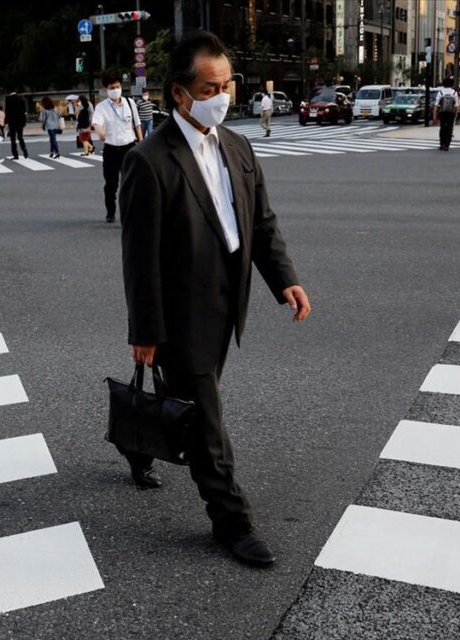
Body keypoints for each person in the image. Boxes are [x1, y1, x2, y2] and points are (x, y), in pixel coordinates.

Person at [118, 31, 311, 568]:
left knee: (185, 401)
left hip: (231, 300)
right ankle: (232, 520)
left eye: (228, 84)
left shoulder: (237, 145)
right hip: (181, 314)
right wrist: (145, 330)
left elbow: (260, 221)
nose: (223, 95)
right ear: (180, 94)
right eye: (210, 86)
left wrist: (284, 279)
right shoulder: (149, 160)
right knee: (206, 419)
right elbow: (139, 257)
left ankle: (135, 440)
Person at [92, 75, 144, 222]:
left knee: (130, 184)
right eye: (112, 88)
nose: (115, 90)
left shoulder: (130, 103)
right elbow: (97, 122)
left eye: (117, 87)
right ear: (105, 90)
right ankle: (111, 211)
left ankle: (128, 213)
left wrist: (141, 143)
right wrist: (100, 132)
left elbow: (137, 124)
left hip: (129, 148)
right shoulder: (101, 107)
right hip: (111, 150)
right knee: (111, 184)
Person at [433, 77, 459, 151]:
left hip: (442, 112)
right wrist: (456, 114)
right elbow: (457, 106)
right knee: (449, 129)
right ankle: (447, 145)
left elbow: (436, 105)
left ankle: (442, 144)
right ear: (452, 84)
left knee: (442, 128)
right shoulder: (454, 92)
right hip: (451, 113)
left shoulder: (440, 92)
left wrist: (434, 115)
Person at [5, 90, 29, 159]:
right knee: (20, 137)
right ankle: (25, 151)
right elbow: (24, 110)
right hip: (20, 121)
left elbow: (7, 111)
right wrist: (24, 122)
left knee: (13, 139)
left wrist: (6, 121)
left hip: (12, 121)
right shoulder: (20, 98)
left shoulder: (8, 99)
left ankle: (15, 155)